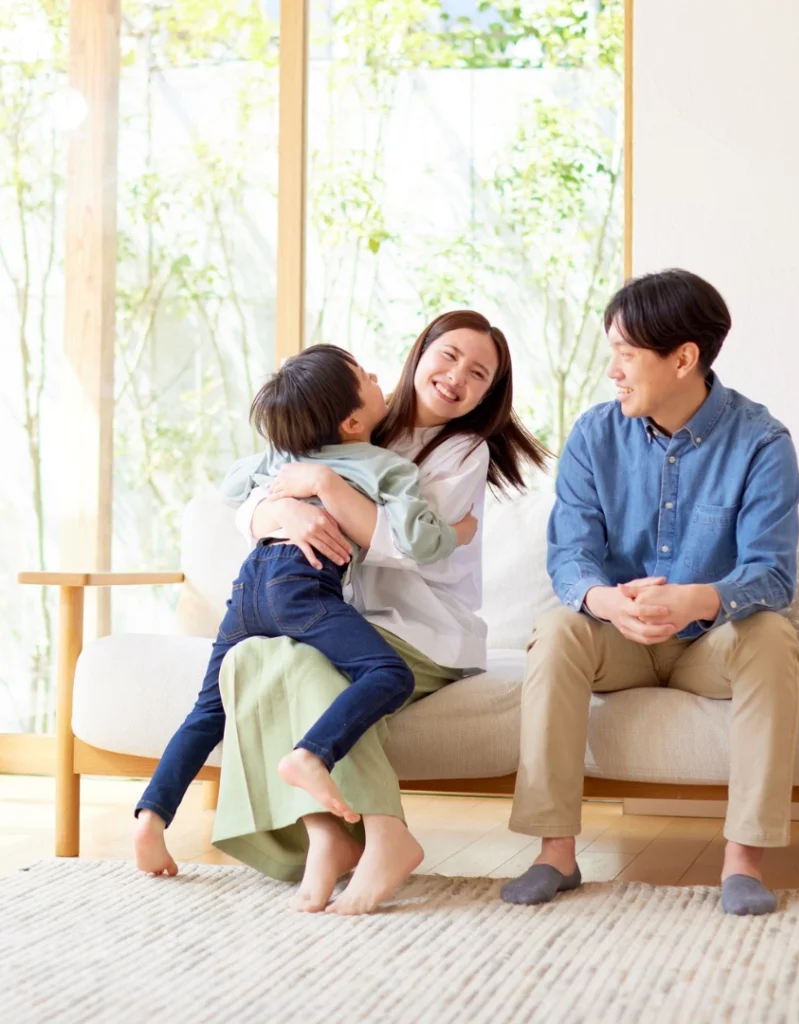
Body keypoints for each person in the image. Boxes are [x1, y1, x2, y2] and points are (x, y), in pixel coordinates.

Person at [216, 310, 549, 914]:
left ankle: (385, 833)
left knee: (305, 665)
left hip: (426, 633)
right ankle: (326, 836)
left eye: (478, 373)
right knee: (251, 656)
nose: (456, 377)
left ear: (489, 394)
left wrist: (326, 486)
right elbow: (256, 488)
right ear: (419, 351)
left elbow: (409, 549)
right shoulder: (355, 414)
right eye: (447, 355)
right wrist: (281, 514)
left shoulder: (463, 450)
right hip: (338, 614)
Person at [500, 269, 799, 916]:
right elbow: (571, 555)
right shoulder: (592, 436)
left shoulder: (762, 443)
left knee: (772, 635)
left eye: (626, 353)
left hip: (708, 647)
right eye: (612, 352)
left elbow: (773, 574)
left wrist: (698, 600)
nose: (613, 370)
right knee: (556, 629)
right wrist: (607, 602)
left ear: (684, 358)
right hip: (620, 639)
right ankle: (556, 852)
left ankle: (742, 860)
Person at [134, 345, 478, 873]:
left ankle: (151, 822)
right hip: (301, 588)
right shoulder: (387, 467)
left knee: (208, 712)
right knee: (386, 672)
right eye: (365, 375)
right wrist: (458, 531)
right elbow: (422, 541)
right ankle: (311, 754)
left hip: (248, 588)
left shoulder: (283, 456)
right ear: (354, 419)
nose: (375, 374)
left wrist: (284, 480)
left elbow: (231, 487)